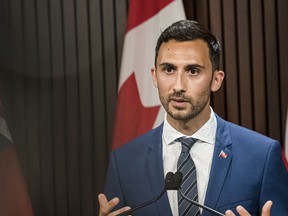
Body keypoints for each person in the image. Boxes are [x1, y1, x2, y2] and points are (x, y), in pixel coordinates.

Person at [98, 20, 288, 216]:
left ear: (216, 80)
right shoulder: (124, 162)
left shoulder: (261, 156)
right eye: (169, 70)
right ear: (154, 76)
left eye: (193, 71)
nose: (178, 86)